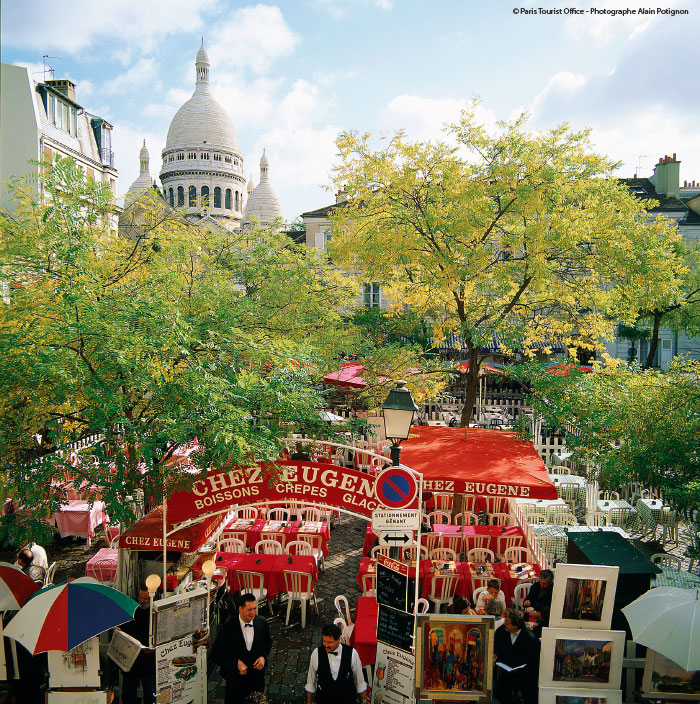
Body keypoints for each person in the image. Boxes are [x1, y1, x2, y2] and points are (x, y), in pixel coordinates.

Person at [212, 593, 272, 704]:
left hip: (256, 680)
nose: (253, 613)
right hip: (236, 681)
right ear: (240, 609)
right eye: (249, 610)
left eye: (255, 609)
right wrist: (236, 662)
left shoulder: (262, 623)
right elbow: (216, 654)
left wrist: (263, 657)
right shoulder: (228, 627)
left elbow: (267, 644)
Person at [305, 623, 368, 704]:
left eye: (329, 642)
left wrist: (364, 701)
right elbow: (311, 682)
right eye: (324, 641)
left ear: (338, 640)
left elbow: (360, 682)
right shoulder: (316, 653)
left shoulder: (352, 654)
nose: (326, 645)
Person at [118, 584, 156, 704]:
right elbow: (124, 627)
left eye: (145, 599)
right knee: (128, 694)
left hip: (148, 661)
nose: (142, 601)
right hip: (131, 661)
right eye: (140, 598)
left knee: (150, 694)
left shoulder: (155, 613)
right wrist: (118, 630)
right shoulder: (132, 609)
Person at [493, 608, 540, 704]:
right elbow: (496, 648)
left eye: (507, 622)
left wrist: (523, 669)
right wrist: (495, 655)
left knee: (531, 695)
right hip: (507, 670)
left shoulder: (530, 638)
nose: (504, 623)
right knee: (499, 691)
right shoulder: (500, 632)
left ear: (515, 626)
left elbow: (534, 661)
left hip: (525, 673)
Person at [522, 569, 554, 635]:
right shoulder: (535, 586)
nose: (541, 585)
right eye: (540, 582)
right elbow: (529, 598)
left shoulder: (553, 591)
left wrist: (540, 614)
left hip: (545, 620)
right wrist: (526, 602)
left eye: (544, 584)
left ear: (550, 583)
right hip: (531, 616)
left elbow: (553, 610)